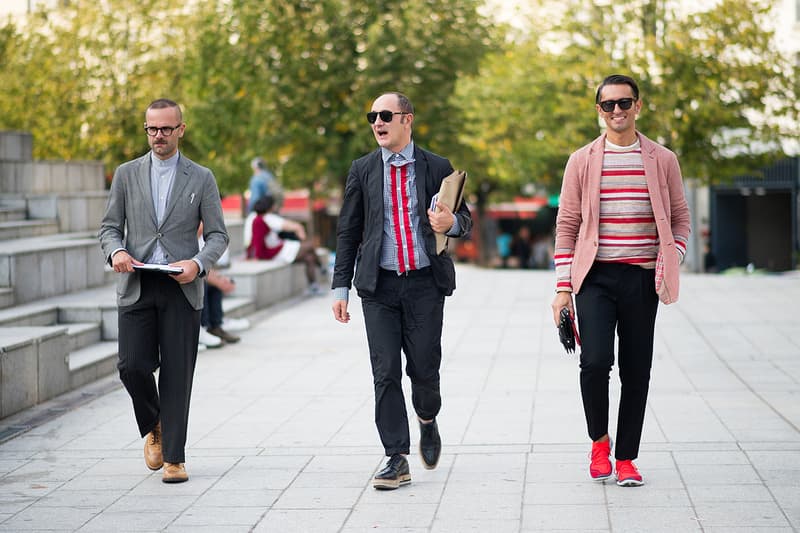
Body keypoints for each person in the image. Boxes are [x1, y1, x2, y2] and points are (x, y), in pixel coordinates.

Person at [551, 75, 690, 487]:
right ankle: (599, 442)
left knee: (637, 369)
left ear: (638, 106)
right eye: (609, 105)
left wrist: (672, 256)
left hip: (643, 277)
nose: (617, 111)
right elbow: (567, 224)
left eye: (624, 103)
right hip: (594, 277)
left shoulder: (662, 159)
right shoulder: (582, 160)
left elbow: (681, 218)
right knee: (594, 362)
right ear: (598, 110)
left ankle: (627, 457)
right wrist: (562, 286)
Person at [331, 92, 472, 490]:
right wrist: (341, 285)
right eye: (372, 116)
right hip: (378, 287)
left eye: (386, 115)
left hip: (426, 284)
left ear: (406, 120)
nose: (377, 122)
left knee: (424, 370)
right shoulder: (361, 170)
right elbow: (348, 231)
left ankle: (427, 419)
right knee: (385, 371)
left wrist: (451, 224)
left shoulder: (437, 166)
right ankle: (396, 457)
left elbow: (464, 220)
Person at [99, 99, 229, 484]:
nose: (158, 135)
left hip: (181, 286)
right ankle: (154, 423)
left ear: (181, 130)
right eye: (152, 129)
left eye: (166, 129)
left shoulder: (202, 177)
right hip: (137, 284)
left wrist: (198, 264)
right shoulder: (125, 174)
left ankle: (174, 457)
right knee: (132, 366)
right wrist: (117, 250)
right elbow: (108, 228)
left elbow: (219, 235)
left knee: (177, 374)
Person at [246, 195, 322, 294]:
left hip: (279, 248)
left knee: (310, 257)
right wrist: (256, 257)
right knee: (309, 246)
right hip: (275, 253)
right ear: (270, 206)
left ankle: (314, 286)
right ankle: (321, 267)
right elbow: (257, 241)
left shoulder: (256, 218)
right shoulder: (262, 219)